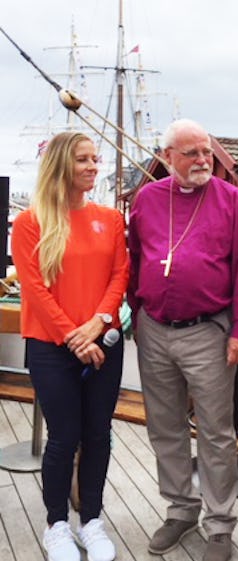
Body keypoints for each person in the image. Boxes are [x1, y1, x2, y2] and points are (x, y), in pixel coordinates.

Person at [127, 118, 238, 561]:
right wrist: (135, 314)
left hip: (208, 331)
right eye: (192, 154)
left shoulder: (233, 200)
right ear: (168, 158)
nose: (204, 161)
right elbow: (133, 260)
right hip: (155, 330)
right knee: (164, 427)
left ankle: (219, 525)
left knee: (216, 434)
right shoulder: (146, 200)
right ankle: (180, 509)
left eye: (208, 152)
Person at [11, 131, 129, 561]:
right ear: (62, 163)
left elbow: (120, 275)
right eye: (83, 159)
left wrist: (96, 323)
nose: (93, 166)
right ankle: (56, 523)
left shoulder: (111, 219)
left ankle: (91, 519)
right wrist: (72, 336)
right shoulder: (30, 223)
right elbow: (35, 290)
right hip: (50, 346)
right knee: (64, 437)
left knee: (99, 434)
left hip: (103, 340)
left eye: (95, 159)